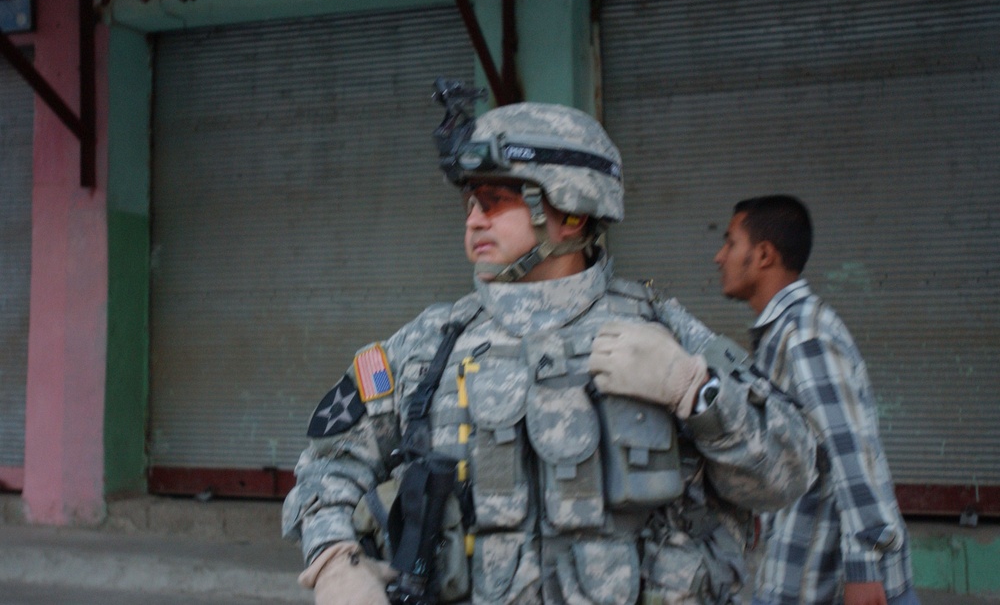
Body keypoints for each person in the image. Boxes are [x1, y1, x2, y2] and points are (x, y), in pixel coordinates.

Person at [281, 89, 817, 605]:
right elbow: (325, 469)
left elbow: (788, 474)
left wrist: (696, 392)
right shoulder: (427, 349)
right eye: (470, 200)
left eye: (496, 199)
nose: (473, 219)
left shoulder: (666, 336)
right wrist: (333, 560)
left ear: (573, 211)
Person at [711, 195, 917, 605]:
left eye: (731, 243)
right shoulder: (783, 333)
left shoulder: (805, 336)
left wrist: (863, 567)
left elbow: (852, 454)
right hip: (800, 576)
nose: (720, 257)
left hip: (836, 586)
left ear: (764, 254)